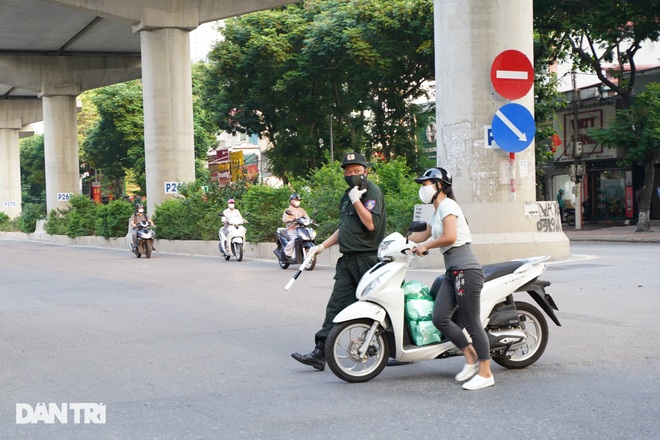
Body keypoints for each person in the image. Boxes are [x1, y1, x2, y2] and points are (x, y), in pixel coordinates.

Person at [291, 152, 387, 371]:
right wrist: (322, 246)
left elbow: (371, 224)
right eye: (348, 171)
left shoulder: (372, 192)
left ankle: (399, 348)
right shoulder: (348, 194)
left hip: (368, 259)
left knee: (381, 306)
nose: (352, 174)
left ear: (366, 171)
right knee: (335, 305)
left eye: (356, 171)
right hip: (348, 260)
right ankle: (320, 352)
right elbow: (344, 228)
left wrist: (356, 200)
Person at [409, 167, 494, 390]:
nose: (422, 188)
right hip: (452, 271)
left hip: (466, 269)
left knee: (471, 321)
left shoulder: (448, 205)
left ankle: (486, 373)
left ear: (438, 185)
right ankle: (470, 356)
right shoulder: (437, 211)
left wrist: (425, 246)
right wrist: (401, 242)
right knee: (440, 318)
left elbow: (450, 236)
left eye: (425, 184)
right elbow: (423, 233)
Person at [282, 193, 309, 261]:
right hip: (292, 229)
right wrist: (292, 219)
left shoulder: (301, 210)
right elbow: (284, 219)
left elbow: (307, 217)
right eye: (295, 200)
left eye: (298, 200)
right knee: (294, 239)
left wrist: (310, 220)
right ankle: (286, 254)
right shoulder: (288, 210)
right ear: (291, 201)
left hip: (301, 229)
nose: (297, 201)